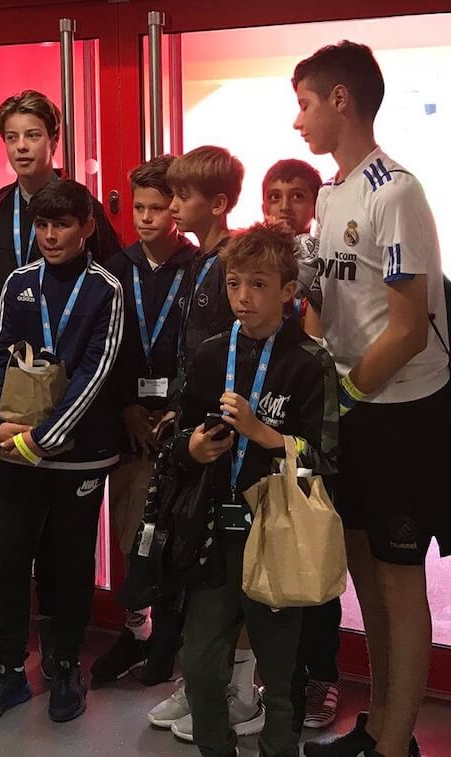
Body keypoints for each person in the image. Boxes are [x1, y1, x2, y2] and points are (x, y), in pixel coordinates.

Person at [295, 41, 451, 757]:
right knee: (364, 574)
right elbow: (324, 304)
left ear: (341, 100)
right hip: (351, 412)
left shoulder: (396, 191)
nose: (298, 120)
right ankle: (380, 725)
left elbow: (408, 328)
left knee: (398, 583)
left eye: (305, 104)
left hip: (400, 414)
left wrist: (346, 393)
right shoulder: (330, 193)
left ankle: (396, 742)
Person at [0, 90, 120, 669]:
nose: (22, 147)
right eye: (12, 137)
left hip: (67, 396)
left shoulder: (81, 207)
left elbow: (108, 294)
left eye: (33, 135)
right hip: (1, 387)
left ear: (53, 140)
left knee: (62, 534)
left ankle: (58, 639)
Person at [0, 179, 125, 727]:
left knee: (71, 560)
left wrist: (43, 437)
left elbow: (95, 371)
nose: (51, 236)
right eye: (42, 225)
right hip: (15, 449)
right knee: (10, 557)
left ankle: (65, 663)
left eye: (62, 225)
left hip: (78, 453)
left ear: (87, 228)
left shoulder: (106, 289)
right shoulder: (18, 283)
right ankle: (10, 668)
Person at [177, 224, 340, 757]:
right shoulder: (209, 354)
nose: (243, 297)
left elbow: (325, 460)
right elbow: (177, 436)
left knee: (281, 672)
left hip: (277, 533)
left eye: (259, 285)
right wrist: (191, 447)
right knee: (200, 666)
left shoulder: (310, 361)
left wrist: (263, 434)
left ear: (289, 290)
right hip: (214, 532)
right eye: (234, 284)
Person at [148, 144, 262, 739]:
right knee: (199, 563)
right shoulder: (198, 261)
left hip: (226, 439)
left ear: (218, 203)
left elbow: (234, 360)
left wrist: (213, 426)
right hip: (194, 433)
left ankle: (237, 691)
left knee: (228, 567)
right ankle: (202, 680)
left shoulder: (230, 266)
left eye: (183, 195)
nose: (172, 205)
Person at [92, 156, 197, 686]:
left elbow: (202, 350)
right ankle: (136, 629)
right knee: (133, 530)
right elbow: (103, 349)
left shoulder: (199, 267)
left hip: (181, 421)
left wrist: (176, 405)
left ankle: (173, 638)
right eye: (139, 208)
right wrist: (126, 408)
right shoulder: (115, 268)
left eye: (158, 208)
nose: (148, 218)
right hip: (129, 421)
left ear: (176, 209)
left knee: (180, 536)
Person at [263, 157, 344, 736]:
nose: (285, 206)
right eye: (275, 196)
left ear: (315, 206)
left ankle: (322, 673)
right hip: (260, 425)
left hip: (314, 425)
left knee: (312, 549)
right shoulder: (252, 265)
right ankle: (278, 674)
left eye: (297, 196)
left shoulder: (327, 264)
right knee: (268, 553)